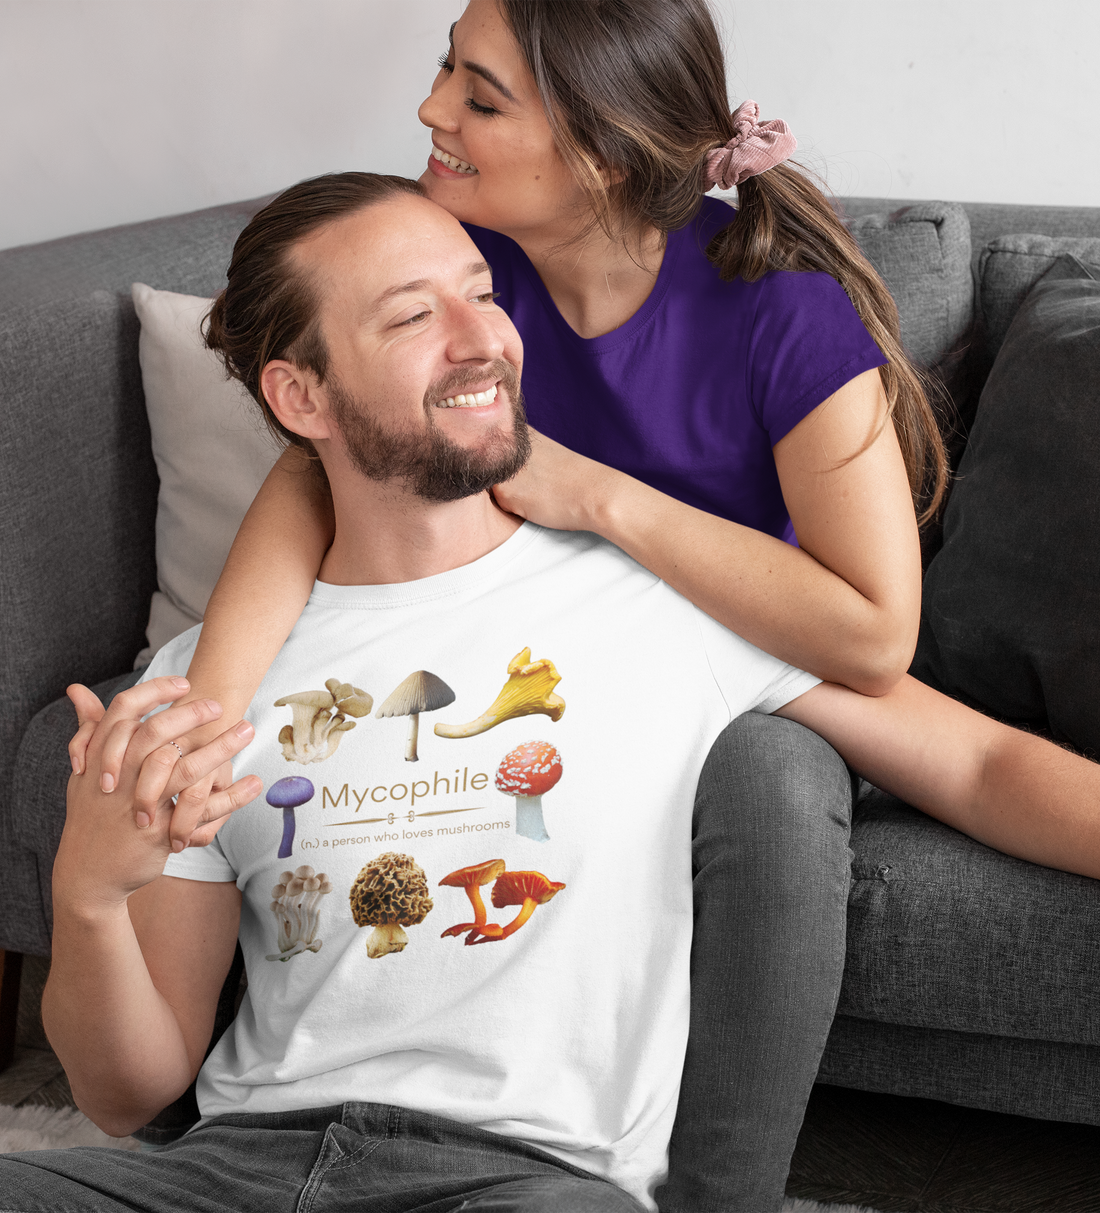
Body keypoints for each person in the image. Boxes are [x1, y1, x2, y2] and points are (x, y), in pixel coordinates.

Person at [19, 174, 1100, 1213]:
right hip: (234, 1168)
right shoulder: (199, 691)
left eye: (481, 293)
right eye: (412, 317)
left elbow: (977, 761)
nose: (483, 335)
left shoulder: (670, 611)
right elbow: (128, 1093)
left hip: (518, 1181)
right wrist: (89, 895)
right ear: (301, 396)